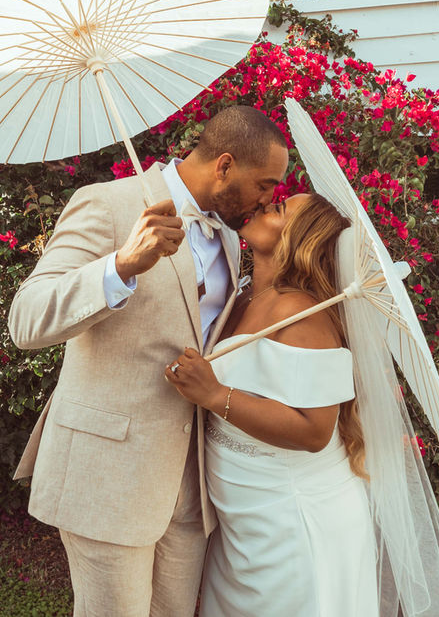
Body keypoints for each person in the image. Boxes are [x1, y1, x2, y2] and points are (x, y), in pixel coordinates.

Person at [8, 104, 289, 617]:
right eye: (265, 184)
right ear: (224, 165)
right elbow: (26, 321)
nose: (268, 199)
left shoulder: (227, 233)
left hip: (188, 485)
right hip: (108, 476)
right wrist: (120, 267)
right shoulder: (107, 204)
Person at [167, 192, 439, 617]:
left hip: (295, 522)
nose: (265, 206)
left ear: (300, 237)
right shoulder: (245, 295)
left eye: (280, 210)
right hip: (242, 522)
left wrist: (215, 395)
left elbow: (314, 431)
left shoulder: (304, 313)